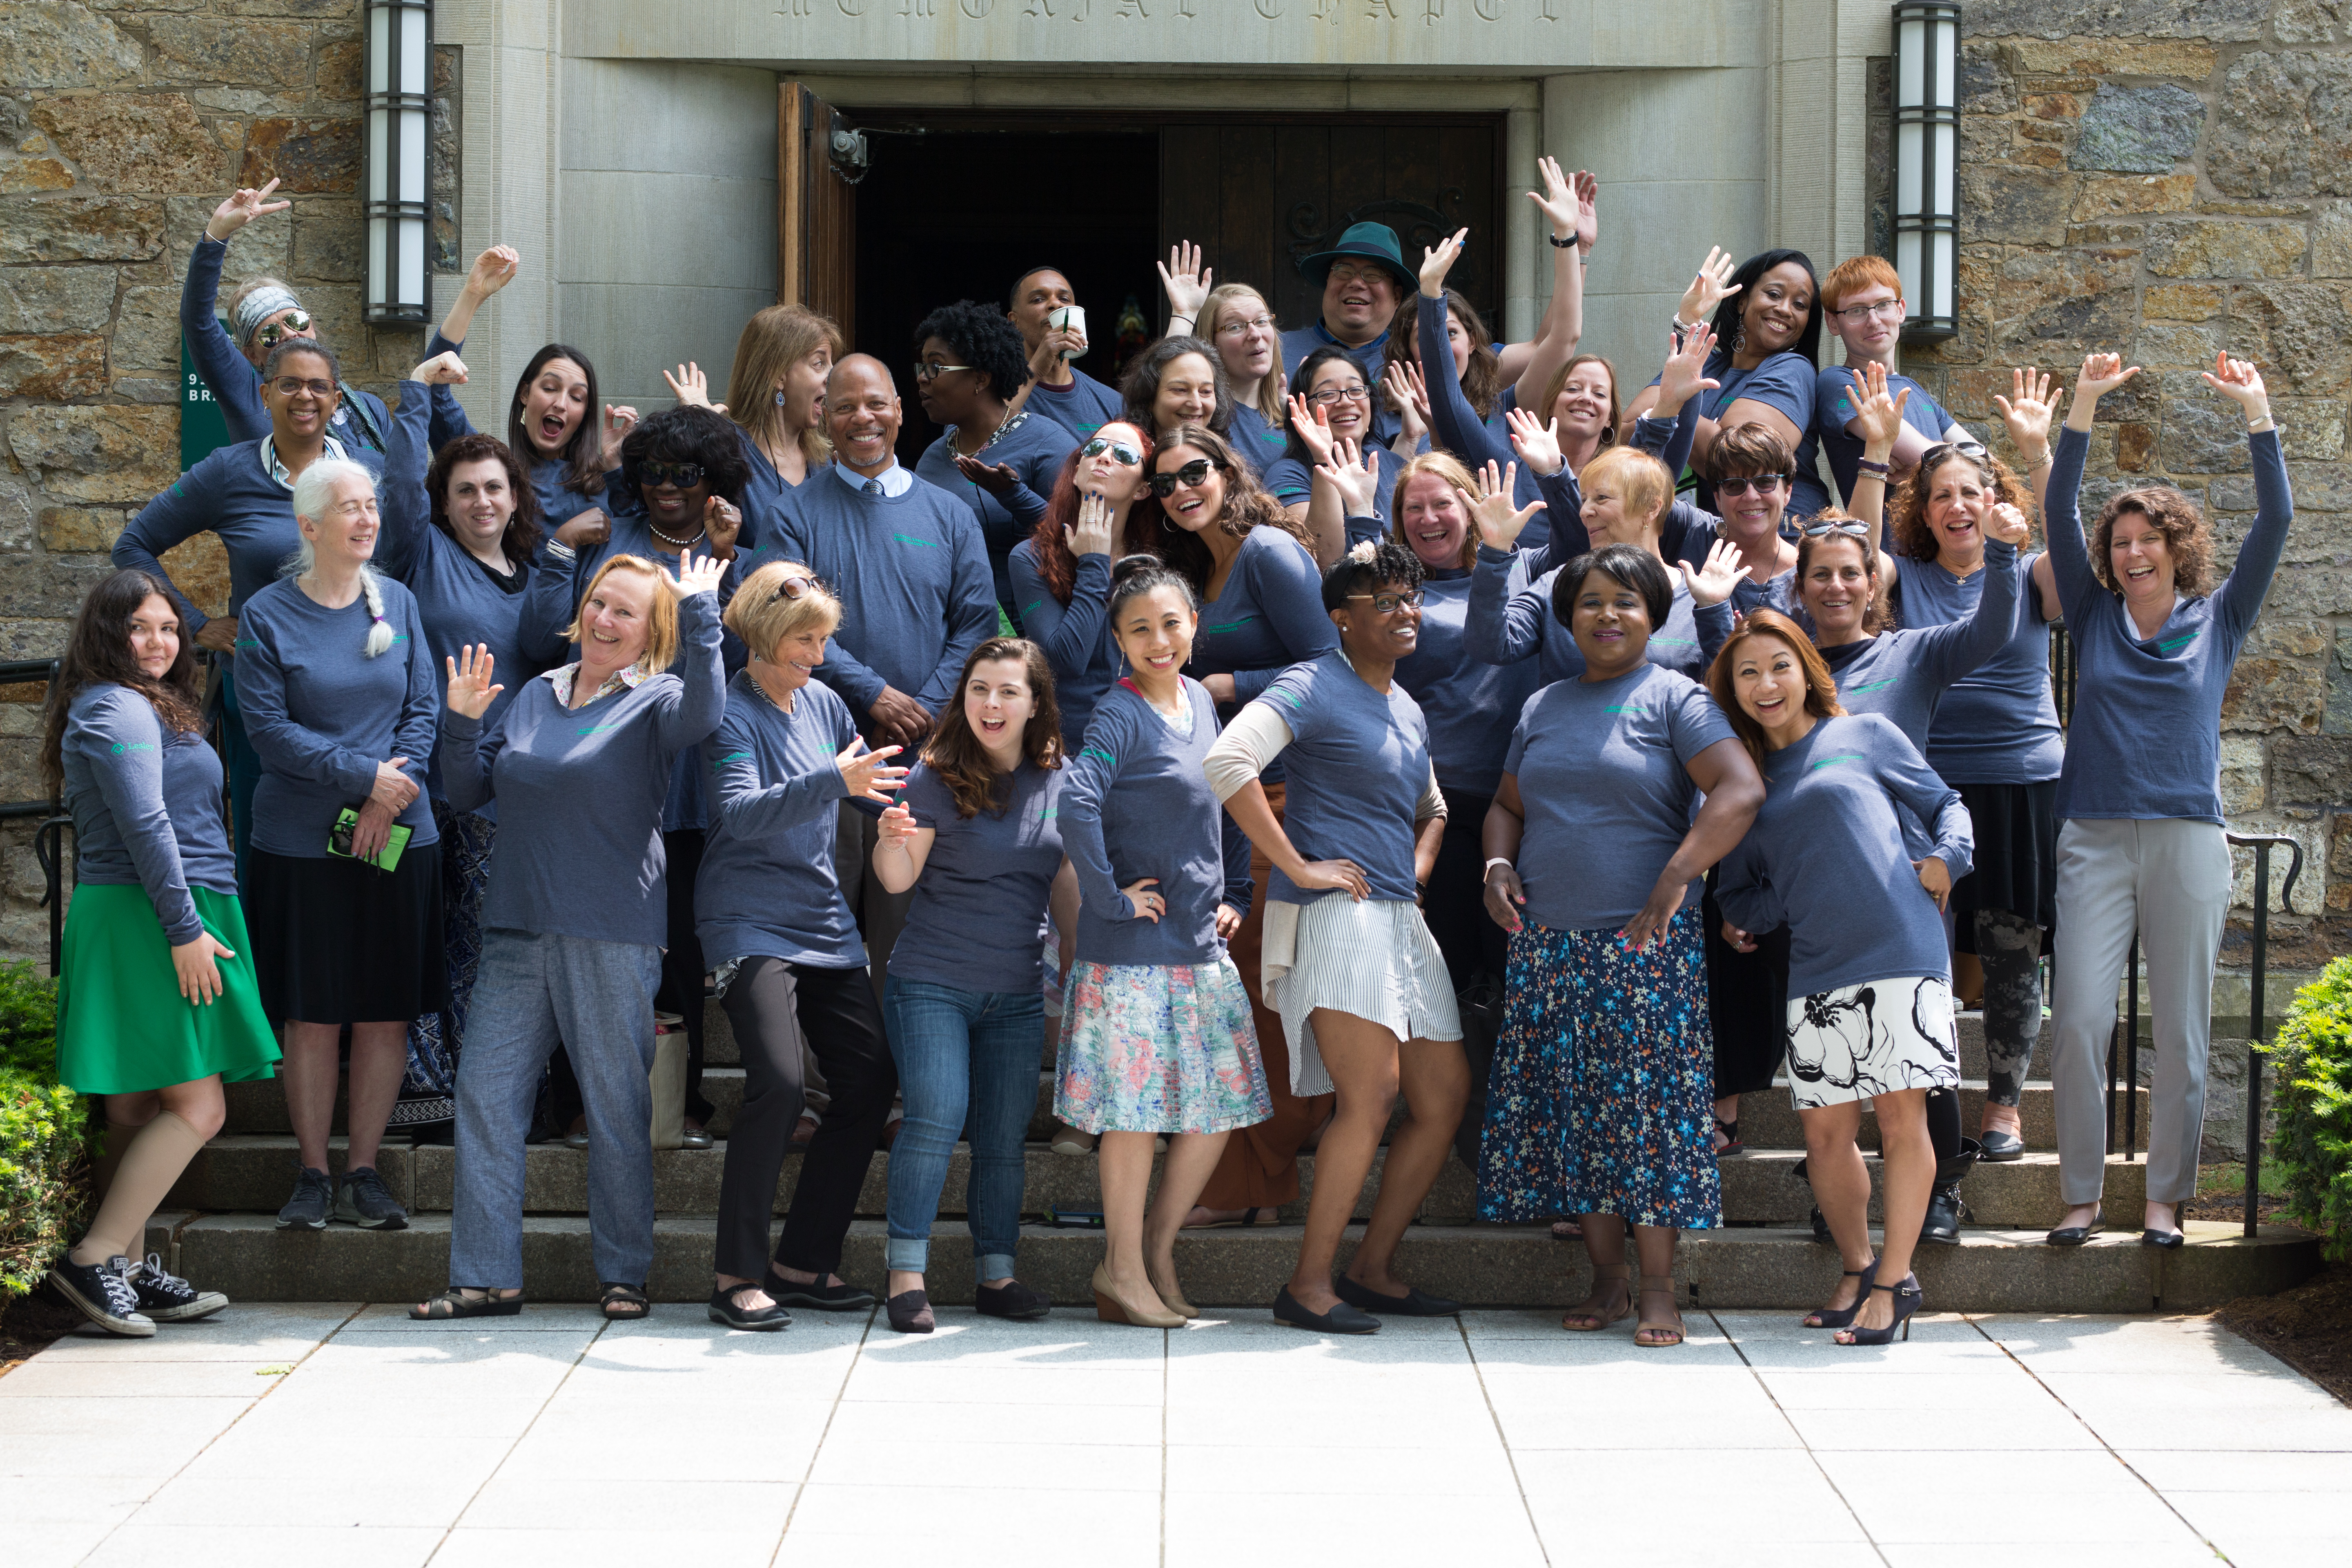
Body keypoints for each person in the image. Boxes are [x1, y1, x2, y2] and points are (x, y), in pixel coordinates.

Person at [419, 550, 726, 1319]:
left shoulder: (658, 697)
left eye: (626, 611)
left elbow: (707, 717)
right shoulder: (533, 694)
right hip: (518, 928)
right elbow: (465, 791)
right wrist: (460, 724)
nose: (604, 619)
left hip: (609, 931)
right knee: (486, 1099)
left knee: (617, 1107)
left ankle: (624, 1272)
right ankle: (485, 1277)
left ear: (651, 630)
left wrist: (702, 619)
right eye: (598, 603)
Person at [1478, 544, 1764, 1345]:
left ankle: (1659, 1289)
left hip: (1643, 950)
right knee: (1577, 1118)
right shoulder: (1542, 706)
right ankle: (1606, 1280)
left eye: (1627, 602)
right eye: (1592, 603)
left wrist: (1677, 876)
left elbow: (1741, 791)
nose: (1608, 615)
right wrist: (1497, 863)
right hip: (1547, 947)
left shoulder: (1679, 699)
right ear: (1568, 619)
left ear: (1655, 615)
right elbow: (1507, 805)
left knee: (1648, 1120)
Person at [2045, 352, 2292, 1250]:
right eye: (2121, 543)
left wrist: (2257, 414)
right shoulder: (2091, 611)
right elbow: (2057, 511)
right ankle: (2078, 1197)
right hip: (2096, 836)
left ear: (2175, 548)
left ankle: (2163, 1202)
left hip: (2188, 836)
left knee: (2184, 1031)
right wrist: (2083, 406)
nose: (2132, 552)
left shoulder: (2217, 619)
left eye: (2149, 540)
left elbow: (2277, 519)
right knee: (2076, 1020)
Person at [1205, 541, 1467, 1332]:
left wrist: (1418, 875)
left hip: (1397, 916)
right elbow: (1228, 761)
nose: (1406, 612)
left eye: (1411, 598)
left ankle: (1372, 1267)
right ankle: (1307, 1285)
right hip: (1335, 915)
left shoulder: (1406, 704)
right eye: (1385, 602)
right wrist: (1298, 864)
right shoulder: (1312, 682)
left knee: (1443, 1098)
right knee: (1373, 1094)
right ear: (1341, 621)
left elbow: (1437, 809)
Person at [1713, 610, 1974, 1345]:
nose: (1767, 684)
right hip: (1818, 966)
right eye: (1749, 673)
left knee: (1900, 1123)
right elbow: (1739, 890)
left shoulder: (1865, 734)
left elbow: (1947, 805)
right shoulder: (1747, 780)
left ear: (1807, 669)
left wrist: (1948, 858)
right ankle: (1860, 1267)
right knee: (1825, 1137)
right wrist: (1752, 916)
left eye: (1780, 666)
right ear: (1733, 691)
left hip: (1901, 948)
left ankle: (1895, 1282)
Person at [42, 571, 278, 1338]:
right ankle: (95, 1258)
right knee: (199, 1105)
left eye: (169, 628)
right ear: (106, 634)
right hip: (154, 914)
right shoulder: (116, 706)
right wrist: (183, 930)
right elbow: (147, 825)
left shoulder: (143, 704)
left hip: (163, 907)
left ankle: (129, 1271)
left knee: (138, 1104)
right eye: (140, 628)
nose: (159, 642)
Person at [524, 405, 753, 1148]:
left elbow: (736, 664)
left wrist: (728, 565)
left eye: (684, 474)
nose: (665, 487)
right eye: (651, 472)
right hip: (597, 775)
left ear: (712, 481)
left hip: (685, 776)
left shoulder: (725, 552)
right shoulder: (611, 543)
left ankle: (676, 1102)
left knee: (680, 950)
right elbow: (545, 639)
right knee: (580, 944)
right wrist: (563, 554)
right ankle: (579, 1106)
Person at [740, 355, 998, 1009]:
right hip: (817, 761)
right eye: (846, 405)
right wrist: (872, 694)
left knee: (903, 940)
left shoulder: (949, 514)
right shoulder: (792, 514)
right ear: (823, 416)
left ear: (900, 412)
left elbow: (974, 624)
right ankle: (828, 1101)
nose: (864, 418)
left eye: (877, 404)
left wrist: (927, 707)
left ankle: (900, 1095)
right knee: (817, 938)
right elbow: (781, 620)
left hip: (923, 766)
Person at [1056, 557, 1269, 1327]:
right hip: (1135, 952)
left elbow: (1227, 795)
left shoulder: (1199, 706)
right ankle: (1119, 1268)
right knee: (1136, 1112)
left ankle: (1154, 1250)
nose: (1159, 640)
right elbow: (1077, 802)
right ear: (1117, 639)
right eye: (1140, 628)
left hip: (1199, 944)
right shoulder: (1118, 713)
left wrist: (1237, 892)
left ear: (1193, 628)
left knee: (1214, 1111)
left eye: (1171, 624)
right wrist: (1110, 896)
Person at [697, 562, 908, 1329]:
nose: (817, 656)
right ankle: (735, 1277)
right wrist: (834, 781)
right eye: (803, 641)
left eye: (823, 640)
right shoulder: (728, 710)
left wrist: (884, 812)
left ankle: (801, 1262)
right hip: (747, 918)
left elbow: (855, 783)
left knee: (867, 1080)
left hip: (822, 920)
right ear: (760, 634)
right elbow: (742, 814)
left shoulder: (822, 701)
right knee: (781, 1085)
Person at [235, 459, 442, 1234]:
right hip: (299, 842)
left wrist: (392, 796)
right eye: (347, 509)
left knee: (386, 1012)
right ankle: (313, 1174)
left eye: (371, 507)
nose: (365, 520)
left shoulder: (402, 605)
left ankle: (366, 1171)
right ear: (309, 526)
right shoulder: (265, 617)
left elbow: (424, 711)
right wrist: (366, 779)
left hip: (398, 835)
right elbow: (269, 733)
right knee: (314, 1015)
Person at [1143, 428, 1339, 1227]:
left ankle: (1257, 1178)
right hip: (1223, 808)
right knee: (1237, 997)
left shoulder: (1268, 552)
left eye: (1195, 472)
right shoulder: (1196, 569)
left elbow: (1332, 662)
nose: (1182, 490)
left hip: (1288, 803)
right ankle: (1252, 1173)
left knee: (1259, 994)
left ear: (1228, 472)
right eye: (1165, 485)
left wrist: (1231, 682)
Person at [112, 339, 388, 877]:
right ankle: (265, 958)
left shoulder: (370, 473)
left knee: (358, 851)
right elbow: (133, 547)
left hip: (355, 692)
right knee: (269, 852)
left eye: (318, 386)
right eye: (289, 384)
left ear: (337, 400)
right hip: (263, 695)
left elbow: (400, 566)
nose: (304, 396)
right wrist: (197, 626)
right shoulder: (228, 472)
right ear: (265, 394)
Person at [1891, 371, 2071, 1166]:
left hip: (2021, 782)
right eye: (1941, 497)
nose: (1958, 506)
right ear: (1924, 513)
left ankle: (2004, 1109)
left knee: (2009, 950)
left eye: (1972, 491)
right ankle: (1932, 1098)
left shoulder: (2032, 571)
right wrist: (1871, 450)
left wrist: (2037, 456)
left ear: (1993, 499)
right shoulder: (1904, 581)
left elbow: (2073, 563)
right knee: (1922, 947)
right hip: (1928, 788)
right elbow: (1854, 552)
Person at [379, 351, 557, 1142]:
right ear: (443, 506)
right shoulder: (422, 553)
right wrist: (416, 396)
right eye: (465, 490)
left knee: (489, 947)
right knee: (418, 939)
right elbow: (394, 494)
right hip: (420, 781)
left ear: (515, 496)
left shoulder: (535, 570)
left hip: (503, 790)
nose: (482, 500)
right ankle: (425, 1096)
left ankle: (493, 1091)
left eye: (495, 487)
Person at [871, 637, 1069, 1332]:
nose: (991, 703)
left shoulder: (1059, 781)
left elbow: (1068, 888)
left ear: (1035, 703)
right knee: (934, 1117)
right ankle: (905, 1274)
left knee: (1002, 1135)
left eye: (1008, 691)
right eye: (979, 689)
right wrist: (890, 839)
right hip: (932, 981)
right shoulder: (933, 775)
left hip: (1016, 991)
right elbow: (897, 880)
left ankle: (998, 1273)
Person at [1466, 447, 1744, 686]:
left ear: (1651, 507)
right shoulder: (1559, 585)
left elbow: (1725, 692)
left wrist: (1713, 611)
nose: (1585, 511)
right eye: (1584, 499)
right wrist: (1495, 551)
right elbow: (1491, 646)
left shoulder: (1698, 597)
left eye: (1601, 499)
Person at [180, 179, 392, 454]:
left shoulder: (368, 408)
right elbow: (198, 321)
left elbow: (400, 484)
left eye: (296, 322)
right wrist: (218, 233)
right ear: (252, 355)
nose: (291, 334)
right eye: (270, 335)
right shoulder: (250, 393)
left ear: (311, 325)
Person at [1624, 247, 1828, 517]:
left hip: (1781, 540)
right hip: (1702, 538)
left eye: (1800, 305)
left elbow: (1739, 460)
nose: (1785, 309)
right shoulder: (1706, 362)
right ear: (1742, 302)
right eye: (1774, 294)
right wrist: (1687, 322)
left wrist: (1666, 411)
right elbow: (1622, 438)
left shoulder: (1794, 370)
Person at [1010, 422, 1173, 751]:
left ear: (1142, 489)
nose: (1104, 458)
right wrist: (1094, 564)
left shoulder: (1157, 559)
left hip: (1148, 740)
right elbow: (1065, 662)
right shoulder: (1030, 557)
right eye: (1095, 449)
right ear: (1076, 472)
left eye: (1124, 454)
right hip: (1068, 747)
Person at [912, 300, 1078, 623]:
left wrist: (1012, 496)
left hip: (1030, 641)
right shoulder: (932, 458)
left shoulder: (1048, 443)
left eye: (936, 367)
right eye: (922, 368)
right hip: (953, 633)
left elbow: (1081, 540)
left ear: (981, 378)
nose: (922, 379)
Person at [1626, 323, 1805, 615]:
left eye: (1765, 482)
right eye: (1735, 485)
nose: (1751, 496)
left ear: (1788, 491)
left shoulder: (1811, 574)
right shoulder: (1692, 533)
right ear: (1718, 497)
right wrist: (1670, 403)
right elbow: (1637, 488)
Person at [1812, 254, 1976, 503]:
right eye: (1857, 310)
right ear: (1833, 323)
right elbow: (1939, 462)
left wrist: (1920, 471)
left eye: (1883, 305)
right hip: (1888, 543)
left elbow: (1986, 469)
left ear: (1900, 310)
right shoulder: (1839, 382)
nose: (1874, 320)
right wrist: (1928, 467)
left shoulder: (1914, 390)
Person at [1281, 220, 1413, 447]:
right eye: (1343, 271)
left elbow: (1480, 358)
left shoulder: (1413, 360)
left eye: (1373, 273)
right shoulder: (1273, 350)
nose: (1356, 283)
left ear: (1397, 296)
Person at [1265, 348, 1403, 557]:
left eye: (1356, 390)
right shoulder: (1286, 475)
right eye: (1328, 394)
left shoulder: (1389, 462)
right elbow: (1326, 557)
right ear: (1303, 411)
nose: (1346, 402)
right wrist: (1324, 458)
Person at [1172, 268, 1287, 472]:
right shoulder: (1201, 414)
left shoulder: (1290, 416)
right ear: (1211, 344)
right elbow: (1163, 389)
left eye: (1262, 321)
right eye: (1235, 327)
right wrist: (1183, 317)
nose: (1255, 334)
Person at [1007, 264, 1124, 441]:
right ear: (1014, 322)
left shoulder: (1113, 403)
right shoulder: (988, 391)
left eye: (1064, 298)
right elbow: (971, 448)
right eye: (1038, 299)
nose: (1055, 304)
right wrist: (1036, 370)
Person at [1120, 334, 1230, 443]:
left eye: (1206, 392)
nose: (1196, 404)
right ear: (1148, 397)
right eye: (1180, 390)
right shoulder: (1123, 457)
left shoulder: (1228, 460)